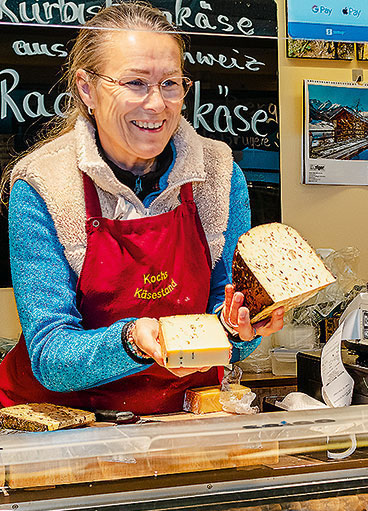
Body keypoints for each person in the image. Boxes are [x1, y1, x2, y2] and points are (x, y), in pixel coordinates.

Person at [0, 2, 284, 415]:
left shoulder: (219, 175)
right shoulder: (45, 184)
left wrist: (241, 328)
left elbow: (227, 323)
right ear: (86, 89)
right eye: (135, 83)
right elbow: (50, 355)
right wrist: (131, 341)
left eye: (170, 83)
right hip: (64, 421)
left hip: (179, 418)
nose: (156, 104)